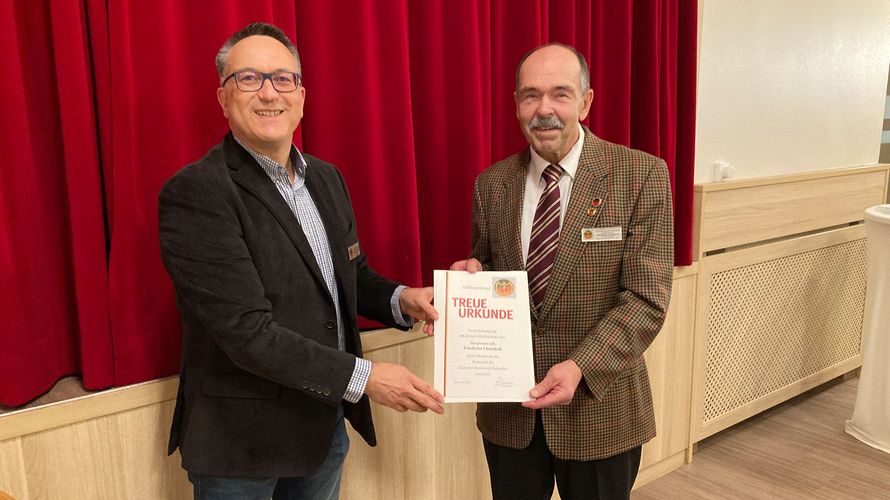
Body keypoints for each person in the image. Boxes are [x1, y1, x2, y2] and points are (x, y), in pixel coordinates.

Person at [158, 22, 444, 499]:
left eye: (283, 78)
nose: (269, 93)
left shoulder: (326, 179)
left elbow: (349, 276)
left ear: (302, 95)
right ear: (223, 98)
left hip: (321, 427)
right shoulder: (197, 194)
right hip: (240, 447)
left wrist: (402, 299)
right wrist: (367, 378)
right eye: (249, 79)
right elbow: (246, 333)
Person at [450, 43, 673, 499]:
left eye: (560, 94)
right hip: (511, 415)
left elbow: (646, 299)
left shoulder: (641, 175)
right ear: (516, 105)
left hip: (600, 409)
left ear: (586, 102)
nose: (544, 109)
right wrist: (474, 272)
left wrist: (579, 367)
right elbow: (493, 270)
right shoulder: (491, 185)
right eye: (531, 95)